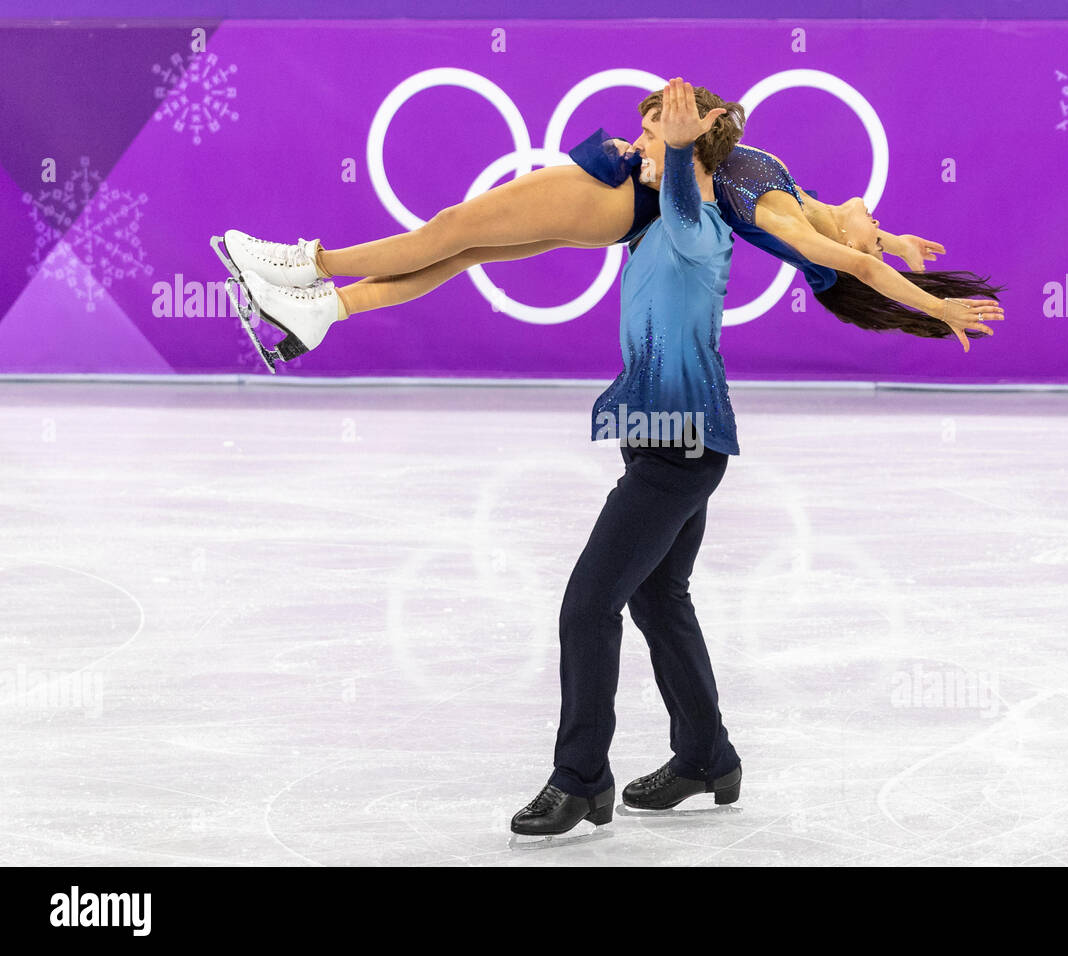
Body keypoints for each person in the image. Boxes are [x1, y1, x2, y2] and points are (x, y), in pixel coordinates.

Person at [213, 91, 1004, 367]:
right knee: (468, 252)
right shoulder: (817, 203)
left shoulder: (785, 217)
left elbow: (859, 270)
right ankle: (326, 313)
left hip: (618, 195)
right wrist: (896, 244)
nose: (878, 217)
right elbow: (867, 244)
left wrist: (930, 307)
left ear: (845, 255)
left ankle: (304, 264)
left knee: (451, 228)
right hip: (624, 202)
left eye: (875, 232)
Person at [509, 78, 743, 837]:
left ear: (685, 147)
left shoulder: (697, 225)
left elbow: (678, 188)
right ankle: (707, 756)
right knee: (657, 597)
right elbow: (584, 178)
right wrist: (616, 150)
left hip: (677, 454)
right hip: (666, 444)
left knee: (587, 606)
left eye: (651, 136)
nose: (636, 146)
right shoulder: (653, 225)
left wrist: (672, 144)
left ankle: (579, 779)